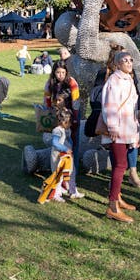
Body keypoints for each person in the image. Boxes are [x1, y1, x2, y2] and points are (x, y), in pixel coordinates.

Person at [101, 52, 140, 223]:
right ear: (117, 64)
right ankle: (112, 206)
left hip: (128, 127)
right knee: (120, 165)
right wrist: (112, 126)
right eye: (125, 60)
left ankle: (118, 197)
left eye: (131, 60)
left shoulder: (128, 79)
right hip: (118, 128)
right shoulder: (114, 81)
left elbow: (133, 103)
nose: (129, 63)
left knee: (120, 165)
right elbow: (110, 105)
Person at [43, 61, 84, 198]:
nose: (60, 75)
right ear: (54, 73)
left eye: (63, 72)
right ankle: (58, 186)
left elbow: (76, 102)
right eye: (58, 72)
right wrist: (50, 113)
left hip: (70, 119)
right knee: (59, 149)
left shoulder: (72, 82)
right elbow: (47, 100)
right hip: (57, 118)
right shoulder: (50, 84)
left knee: (72, 149)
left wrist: (75, 119)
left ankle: (71, 182)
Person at [37, 108, 74, 203]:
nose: (70, 125)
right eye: (69, 123)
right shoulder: (57, 130)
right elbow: (55, 143)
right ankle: (55, 194)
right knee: (57, 175)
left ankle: (57, 191)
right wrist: (65, 149)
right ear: (64, 121)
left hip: (59, 155)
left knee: (60, 175)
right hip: (56, 156)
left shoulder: (61, 129)